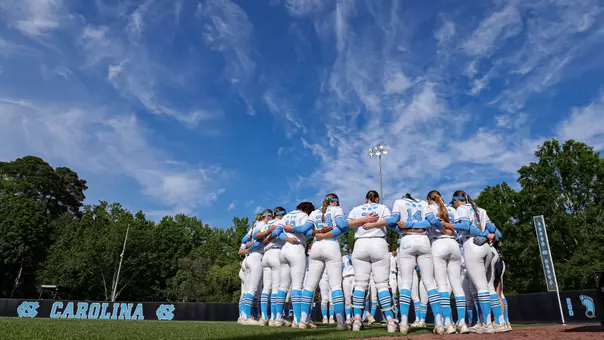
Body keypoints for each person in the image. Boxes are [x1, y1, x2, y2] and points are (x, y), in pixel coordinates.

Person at [367, 193, 444, 335]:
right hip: (423, 241)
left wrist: (405, 227)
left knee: (406, 284)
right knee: (430, 283)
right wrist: (421, 226)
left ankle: (403, 323)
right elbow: (432, 223)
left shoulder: (399, 202)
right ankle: (439, 323)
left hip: (407, 241)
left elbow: (392, 221)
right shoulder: (423, 203)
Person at [298, 193, 378, 330]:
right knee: (335, 286)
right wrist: (364, 220)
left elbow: (304, 231)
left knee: (309, 286)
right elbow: (342, 224)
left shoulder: (315, 212)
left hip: (316, 246)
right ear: (335, 202)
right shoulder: (336, 209)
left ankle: (302, 321)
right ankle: (341, 323)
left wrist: (318, 232)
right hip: (331, 245)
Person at [440, 190, 504, 334]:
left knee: (481, 287)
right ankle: (499, 322)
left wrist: (447, 225)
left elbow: (463, 226)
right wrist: (489, 236)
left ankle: (487, 324)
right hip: (487, 247)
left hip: (472, 244)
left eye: (454, 202)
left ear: (457, 201)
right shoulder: (481, 209)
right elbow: (496, 231)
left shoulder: (462, 209)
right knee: (488, 287)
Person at [346, 190, 399, 333]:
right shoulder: (382, 208)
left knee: (360, 284)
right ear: (377, 198)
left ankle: (357, 320)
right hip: (378, 243)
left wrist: (364, 221)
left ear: (365, 199)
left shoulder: (356, 209)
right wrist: (374, 224)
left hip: (360, 244)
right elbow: (392, 220)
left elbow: (347, 224)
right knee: (382, 285)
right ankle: (390, 321)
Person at [426, 190, 468, 334]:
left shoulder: (429, 208)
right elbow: (460, 226)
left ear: (428, 199)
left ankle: (448, 323)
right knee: (456, 285)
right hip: (454, 245)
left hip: (438, 244)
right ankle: (462, 323)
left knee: (442, 285)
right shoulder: (451, 209)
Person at [271, 202, 316, 327]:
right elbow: (304, 230)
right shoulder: (304, 216)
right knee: (297, 286)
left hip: (284, 249)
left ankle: (277, 318)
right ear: (307, 210)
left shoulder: (286, 216)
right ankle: (297, 320)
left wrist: (287, 238)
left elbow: (275, 233)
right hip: (296, 249)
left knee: (283, 286)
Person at [258, 207, 287, 326]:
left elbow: (256, 236)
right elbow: (278, 234)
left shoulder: (265, 224)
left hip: (265, 255)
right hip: (276, 253)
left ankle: (264, 317)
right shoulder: (279, 222)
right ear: (282, 214)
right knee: (276, 287)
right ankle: (275, 318)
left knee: (266, 288)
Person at [342, 246, 355, 325]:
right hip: (346, 278)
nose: (350, 249)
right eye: (348, 248)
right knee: (347, 298)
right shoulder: (343, 257)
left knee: (354, 297)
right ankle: (348, 318)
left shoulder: (357, 256)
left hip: (354, 277)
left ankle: (355, 317)